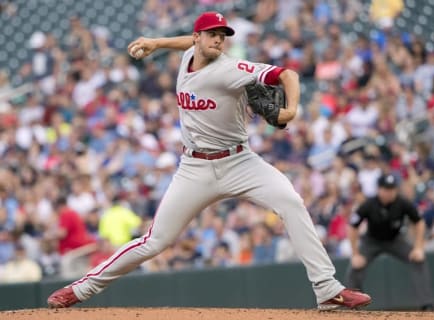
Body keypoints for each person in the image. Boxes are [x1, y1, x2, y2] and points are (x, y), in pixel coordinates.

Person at [47, 11, 371, 310]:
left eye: (222, 35)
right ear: (198, 37)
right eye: (212, 34)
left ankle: (327, 289)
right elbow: (187, 43)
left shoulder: (230, 69)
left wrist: (291, 110)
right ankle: (81, 289)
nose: (218, 39)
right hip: (195, 168)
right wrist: (157, 43)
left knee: (291, 202)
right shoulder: (189, 53)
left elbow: (289, 75)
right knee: (155, 241)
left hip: (240, 162)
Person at [346, 174, 434, 310]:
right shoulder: (369, 204)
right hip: (372, 241)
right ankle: (350, 306)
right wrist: (355, 253)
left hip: (395, 240)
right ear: (379, 190)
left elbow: (419, 222)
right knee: (356, 267)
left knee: (418, 260)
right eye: (386, 189)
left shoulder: (402, 202)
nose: (390, 192)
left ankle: (426, 304)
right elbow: (352, 227)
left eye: (392, 189)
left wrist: (418, 247)